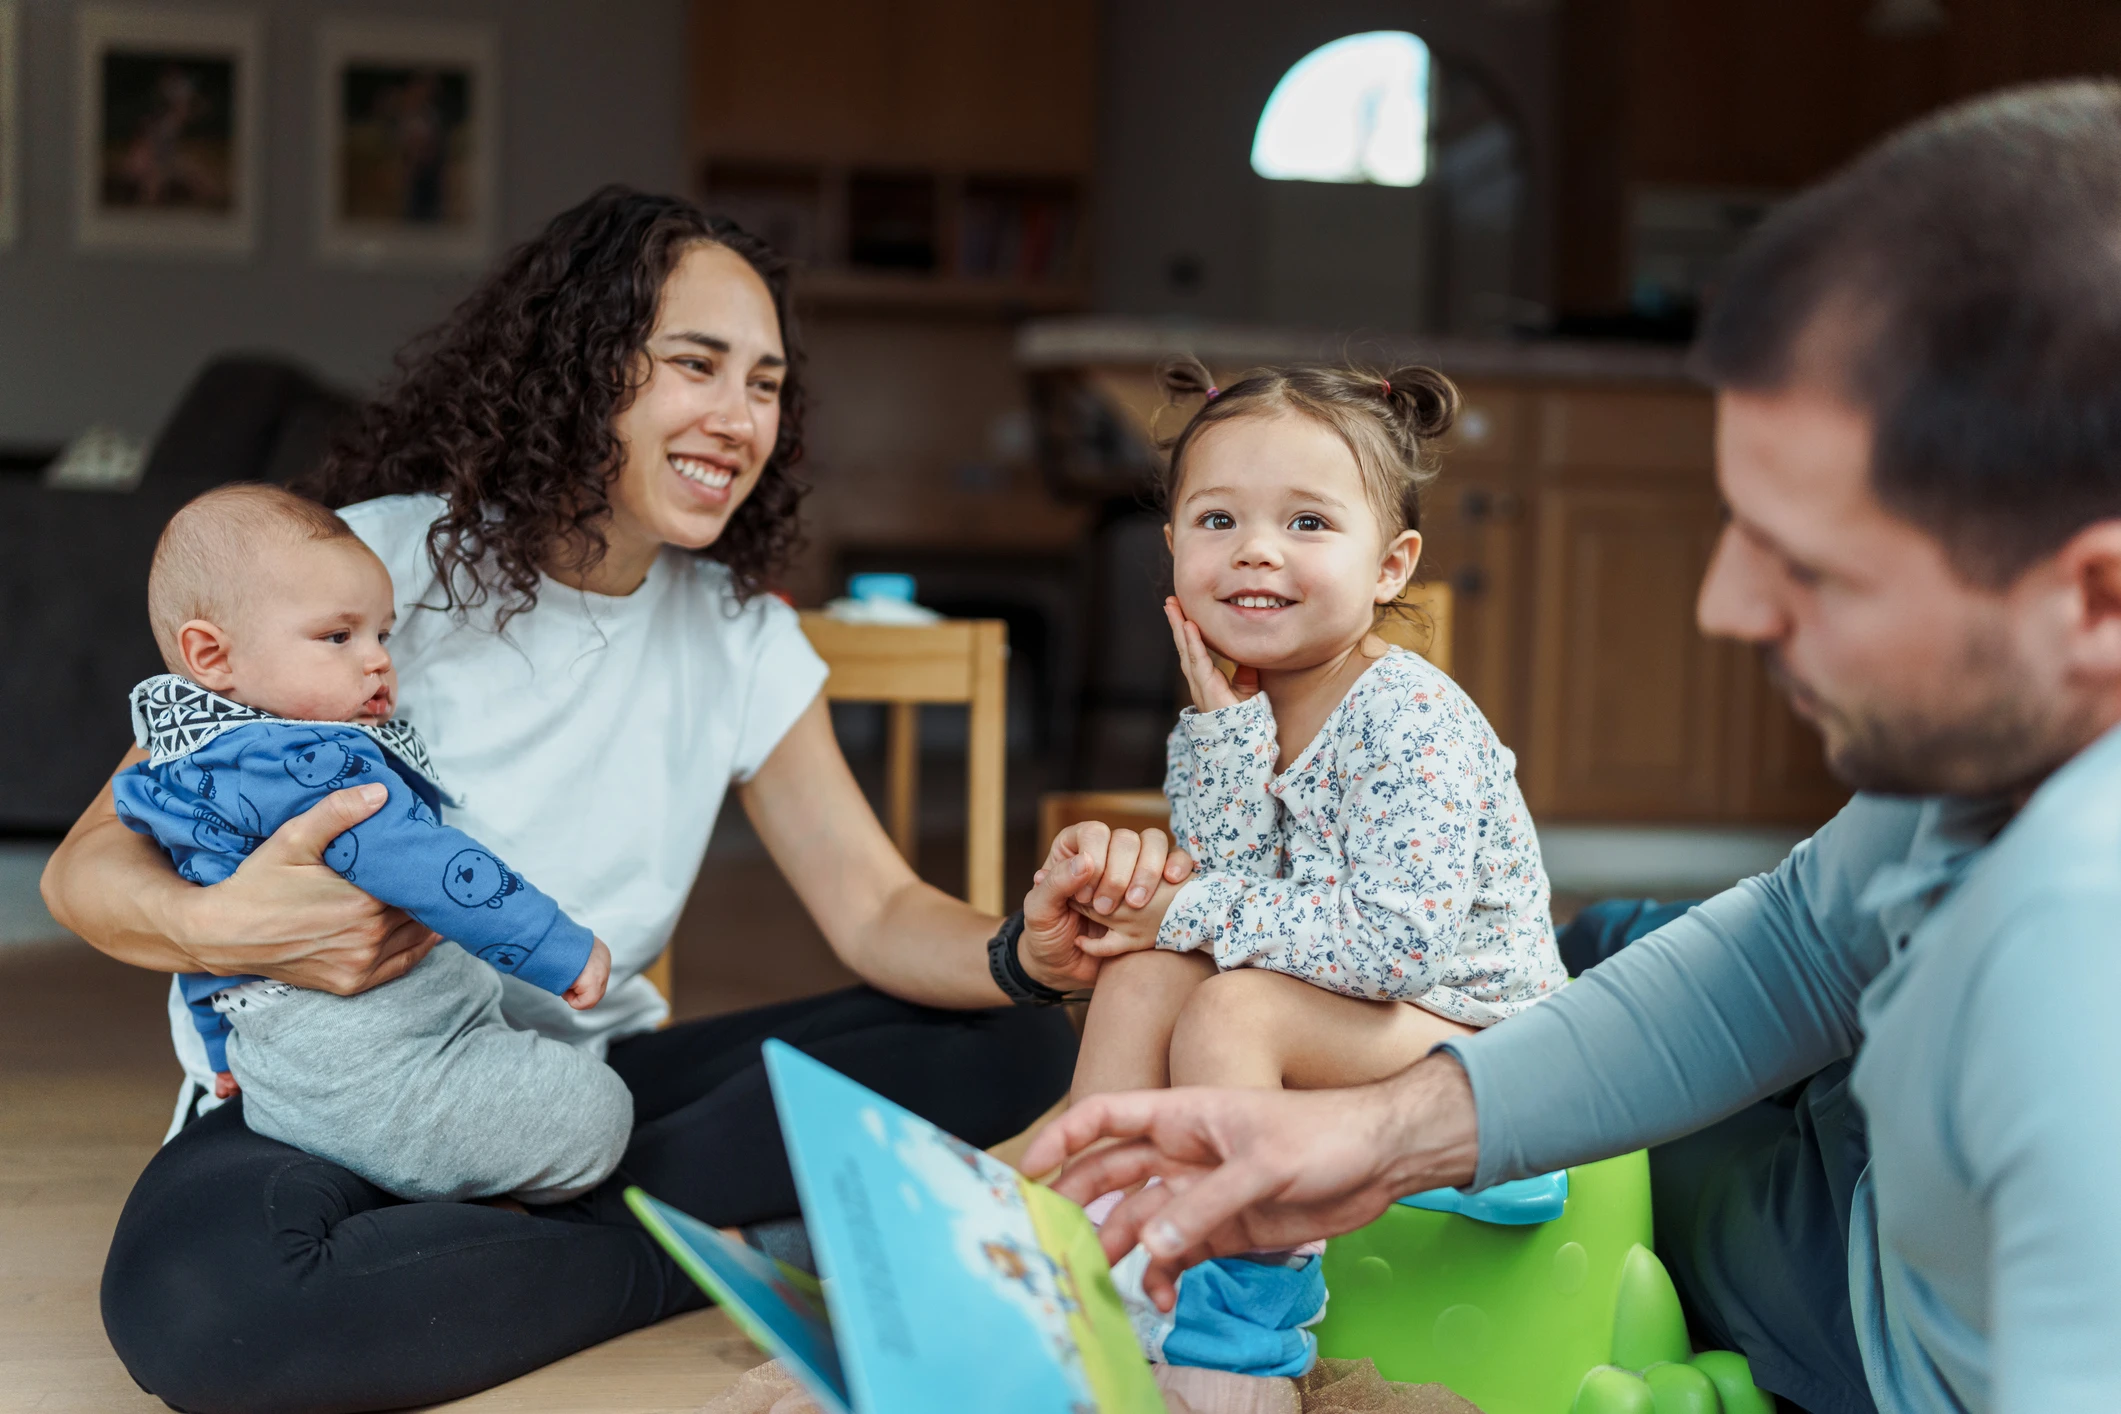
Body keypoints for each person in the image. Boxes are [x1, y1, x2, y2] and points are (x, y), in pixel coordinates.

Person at [1028, 81, 2121, 1414]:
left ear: (2095, 599)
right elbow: (1798, 941)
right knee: (1612, 931)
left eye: (1809, 561)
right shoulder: (1993, 771)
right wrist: (1386, 1131)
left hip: (1858, 1277)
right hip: (1879, 1110)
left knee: (1583, 985)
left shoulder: (2071, 938)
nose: (1724, 605)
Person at [41, 186, 1187, 1414]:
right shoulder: (364, 577)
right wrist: (245, 932)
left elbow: (877, 906)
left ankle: (575, 1234)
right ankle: (697, 1251)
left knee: (1005, 1038)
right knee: (214, 1317)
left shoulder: (742, 634)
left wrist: (1029, 951)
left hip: (585, 1081)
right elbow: (86, 869)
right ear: (584, 367)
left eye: (766, 383)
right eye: (697, 364)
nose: (738, 417)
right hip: (323, 1096)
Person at [1060, 359, 1563, 1378]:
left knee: (1231, 1010)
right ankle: (1076, 1263)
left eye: (1306, 524)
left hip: (1484, 1052)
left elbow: (1391, 949)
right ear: (1172, 550)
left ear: (1390, 565)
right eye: (1216, 521)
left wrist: (1186, 906)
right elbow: (1229, 896)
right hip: (1360, 1013)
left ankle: (1242, 1345)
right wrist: (1222, 733)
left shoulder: (1407, 718)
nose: (1255, 551)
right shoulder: (1242, 705)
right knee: (1150, 972)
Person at [116, 483, 630, 1204]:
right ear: (211, 656)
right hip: (370, 1062)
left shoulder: (189, 770)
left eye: (382, 635)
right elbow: (433, 867)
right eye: (338, 637)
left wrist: (218, 1052)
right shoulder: (306, 765)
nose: (378, 660)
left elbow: (211, 964)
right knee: (599, 1112)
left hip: (288, 1076)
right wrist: (556, 945)